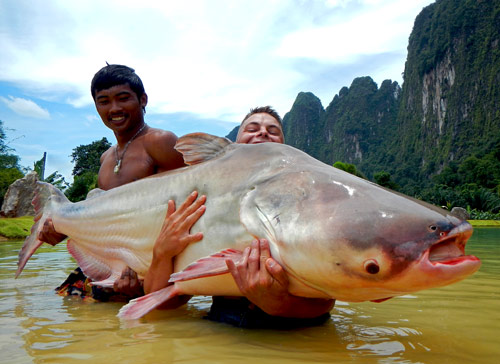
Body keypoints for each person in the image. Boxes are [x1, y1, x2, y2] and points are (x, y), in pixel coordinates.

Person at [145, 106, 335, 328]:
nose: (263, 133)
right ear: (235, 143)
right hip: (224, 323)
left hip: (297, 331)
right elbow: (163, 303)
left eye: (272, 130)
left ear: (285, 146)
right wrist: (161, 254)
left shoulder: (309, 195)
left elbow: (328, 297)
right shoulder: (198, 201)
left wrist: (277, 303)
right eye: (252, 128)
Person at [39, 64, 202, 303]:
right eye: (103, 101)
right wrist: (61, 231)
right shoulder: (106, 157)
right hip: (111, 270)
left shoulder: (161, 142)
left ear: (143, 100)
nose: (114, 108)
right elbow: (104, 222)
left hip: (151, 272)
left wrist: (155, 275)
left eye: (123, 98)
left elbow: (188, 212)